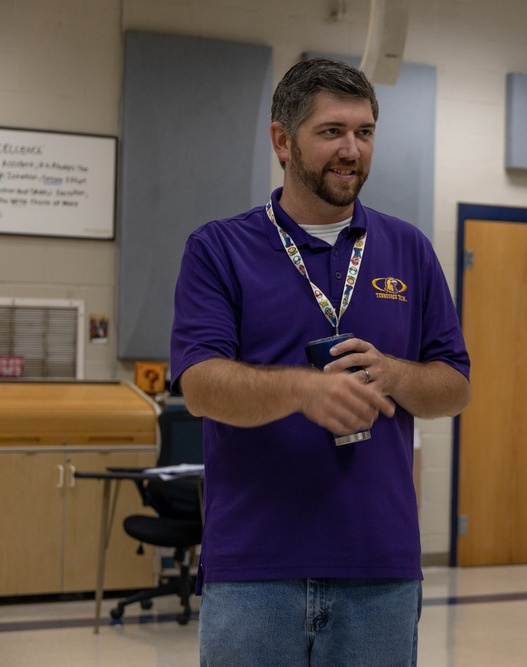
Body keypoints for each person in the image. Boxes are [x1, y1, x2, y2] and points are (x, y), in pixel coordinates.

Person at [170, 58, 471, 666]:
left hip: (380, 568)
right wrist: (303, 392)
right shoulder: (218, 248)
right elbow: (200, 385)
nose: (351, 150)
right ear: (283, 140)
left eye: (364, 133)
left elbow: (454, 387)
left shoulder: (409, 248)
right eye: (331, 132)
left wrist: (393, 372)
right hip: (255, 568)